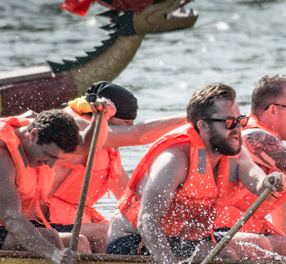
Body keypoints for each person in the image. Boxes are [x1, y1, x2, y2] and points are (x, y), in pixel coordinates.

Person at [106, 84, 286, 264]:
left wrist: (268, 182)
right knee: (225, 255)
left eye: (240, 120)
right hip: (133, 240)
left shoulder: (234, 149)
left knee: (259, 245)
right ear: (203, 126)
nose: (238, 129)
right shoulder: (175, 159)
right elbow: (147, 222)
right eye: (229, 122)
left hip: (180, 239)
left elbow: (255, 178)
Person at [46, 81, 187, 254]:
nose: (129, 128)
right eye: (126, 122)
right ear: (105, 114)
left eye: (132, 122)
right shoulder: (74, 127)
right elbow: (139, 134)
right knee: (103, 233)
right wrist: (194, 117)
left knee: (123, 232)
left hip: (73, 220)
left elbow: (126, 195)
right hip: (43, 222)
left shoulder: (109, 147)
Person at [0, 108, 110, 264]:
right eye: (49, 155)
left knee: (85, 239)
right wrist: (54, 255)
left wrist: (99, 119)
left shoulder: (43, 132)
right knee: (50, 238)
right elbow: (11, 217)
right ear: (34, 135)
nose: (50, 164)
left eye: (56, 158)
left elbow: (86, 145)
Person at [214, 75, 286, 255]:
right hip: (209, 231)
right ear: (273, 110)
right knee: (260, 244)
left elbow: (285, 221)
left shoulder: (275, 164)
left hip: (239, 233)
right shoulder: (254, 137)